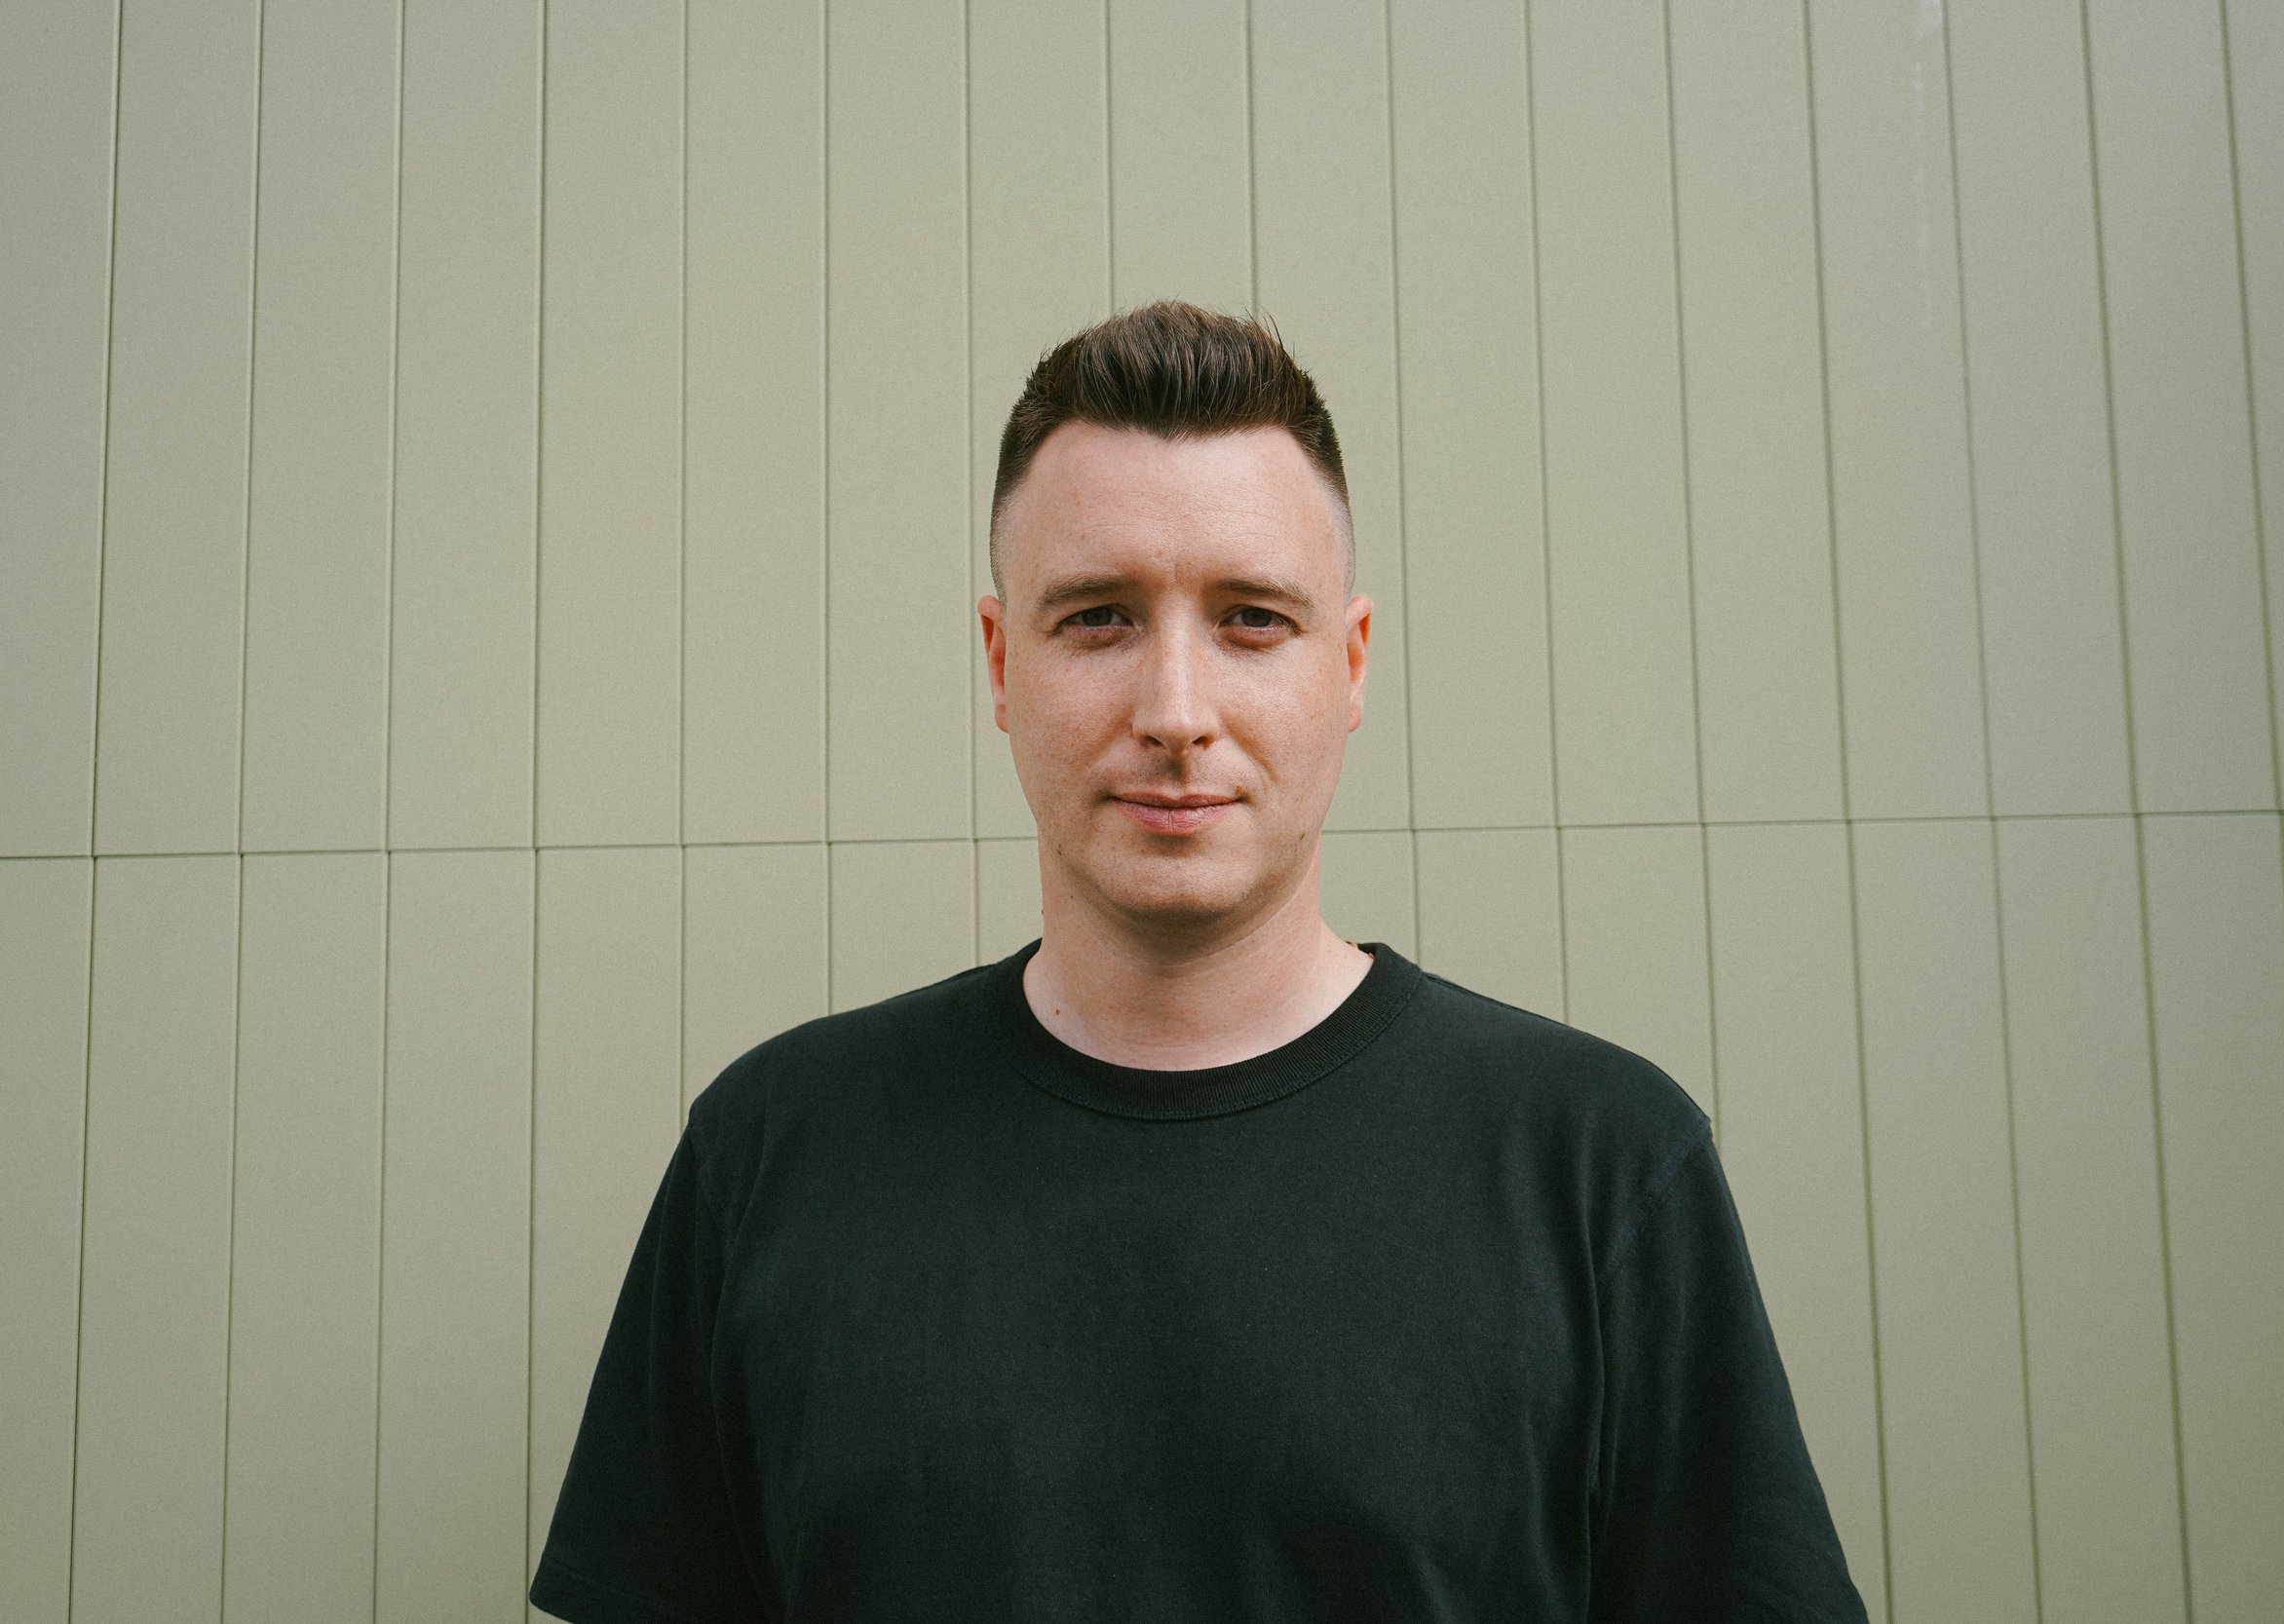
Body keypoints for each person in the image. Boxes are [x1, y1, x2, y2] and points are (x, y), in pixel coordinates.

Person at [529, 302, 1868, 1623]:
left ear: (1351, 664)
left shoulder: (1598, 1164)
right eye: (1099, 617)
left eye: (1253, 619)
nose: (1176, 712)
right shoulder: (773, 1152)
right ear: (1001, 663)